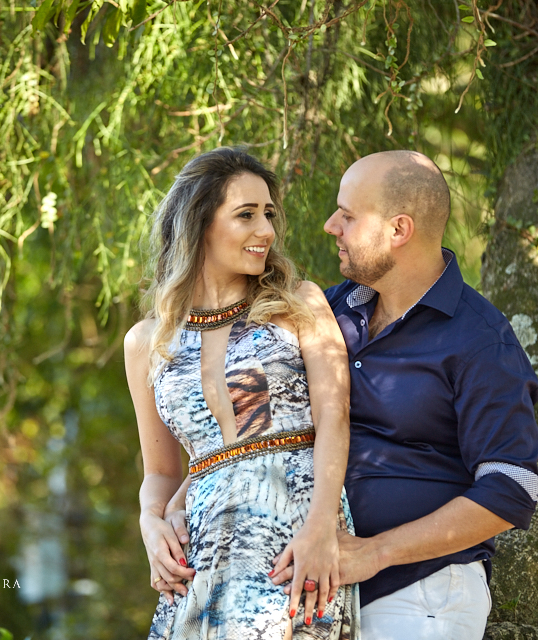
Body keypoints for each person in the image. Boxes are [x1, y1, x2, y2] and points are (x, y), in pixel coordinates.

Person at [274, 150, 538, 639]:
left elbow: (511, 489)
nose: (330, 225)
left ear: (398, 230)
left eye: (348, 215)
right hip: (317, 593)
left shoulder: (480, 339)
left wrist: (376, 552)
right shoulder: (331, 311)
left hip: (419, 597)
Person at [123, 147, 360, 640]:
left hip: (293, 533)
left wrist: (321, 527)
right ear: (199, 224)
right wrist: (150, 524)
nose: (267, 232)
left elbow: (335, 419)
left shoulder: (298, 304)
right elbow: (162, 473)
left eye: (269, 214)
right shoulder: (148, 342)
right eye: (246, 215)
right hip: (202, 547)